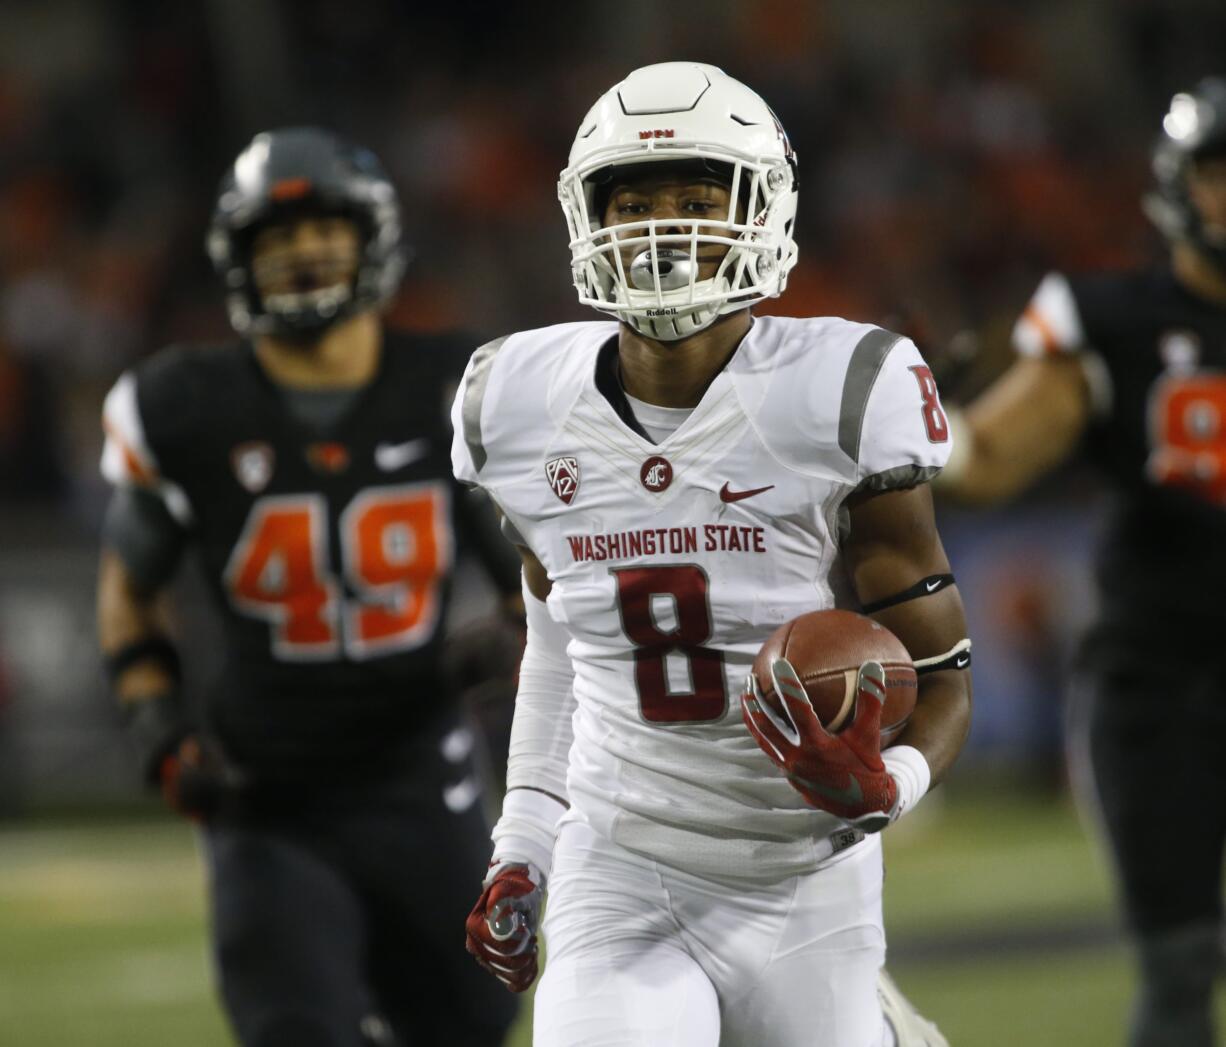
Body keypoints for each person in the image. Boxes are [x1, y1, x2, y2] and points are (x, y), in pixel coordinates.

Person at [456, 62, 972, 1046]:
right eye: (635, 200)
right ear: (584, 217)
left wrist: (887, 784)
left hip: (801, 875)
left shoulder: (842, 386)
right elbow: (560, 644)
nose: (663, 230)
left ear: (762, 208)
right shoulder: (512, 400)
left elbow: (941, 668)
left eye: (697, 198)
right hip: (622, 865)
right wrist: (521, 846)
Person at [96, 127, 521, 1047]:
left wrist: (515, 639)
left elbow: (535, 581)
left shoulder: (455, 386)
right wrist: (156, 726)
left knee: (471, 1023)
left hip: (421, 776)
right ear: (237, 261)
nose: (304, 251)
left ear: (376, 238)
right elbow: (130, 590)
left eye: (327, 228)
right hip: (266, 792)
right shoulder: (184, 406)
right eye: (277, 237)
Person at [935, 78, 1226, 1047]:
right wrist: (919, 434)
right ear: (1178, 185)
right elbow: (989, 458)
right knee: (1180, 969)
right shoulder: (1112, 317)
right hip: (1160, 684)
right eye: (1219, 172)